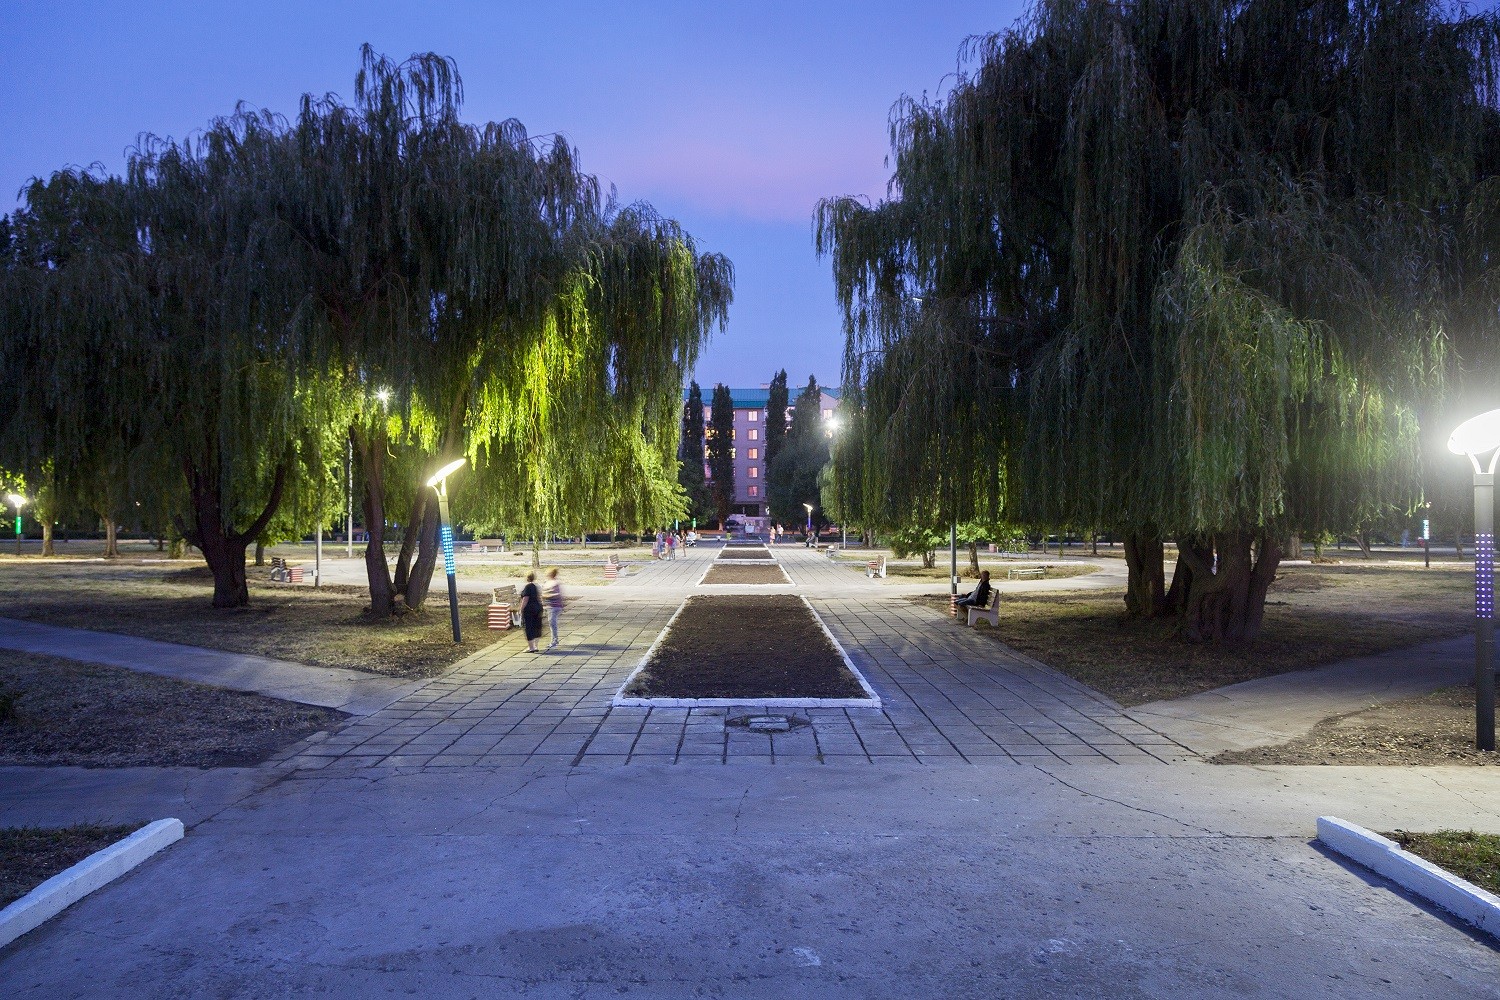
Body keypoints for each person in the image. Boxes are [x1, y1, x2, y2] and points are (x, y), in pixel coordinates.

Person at [519, 571, 544, 652]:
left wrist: (521, 609)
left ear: (527, 578)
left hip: (529, 609)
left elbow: (525, 600)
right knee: (537, 626)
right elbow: (540, 597)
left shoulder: (527, 587)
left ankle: (531, 647)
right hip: (538, 608)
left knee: (528, 627)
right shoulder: (537, 586)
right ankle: (536, 646)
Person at [542, 567, 564, 651]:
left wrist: (545, 595)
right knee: (551, 624)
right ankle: (554, 639)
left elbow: (556, 594)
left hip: (554, 606)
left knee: (552, 624)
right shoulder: (547, 582)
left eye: (548, 573)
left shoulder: (555, 583)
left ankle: (554, 641)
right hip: (548, 606)